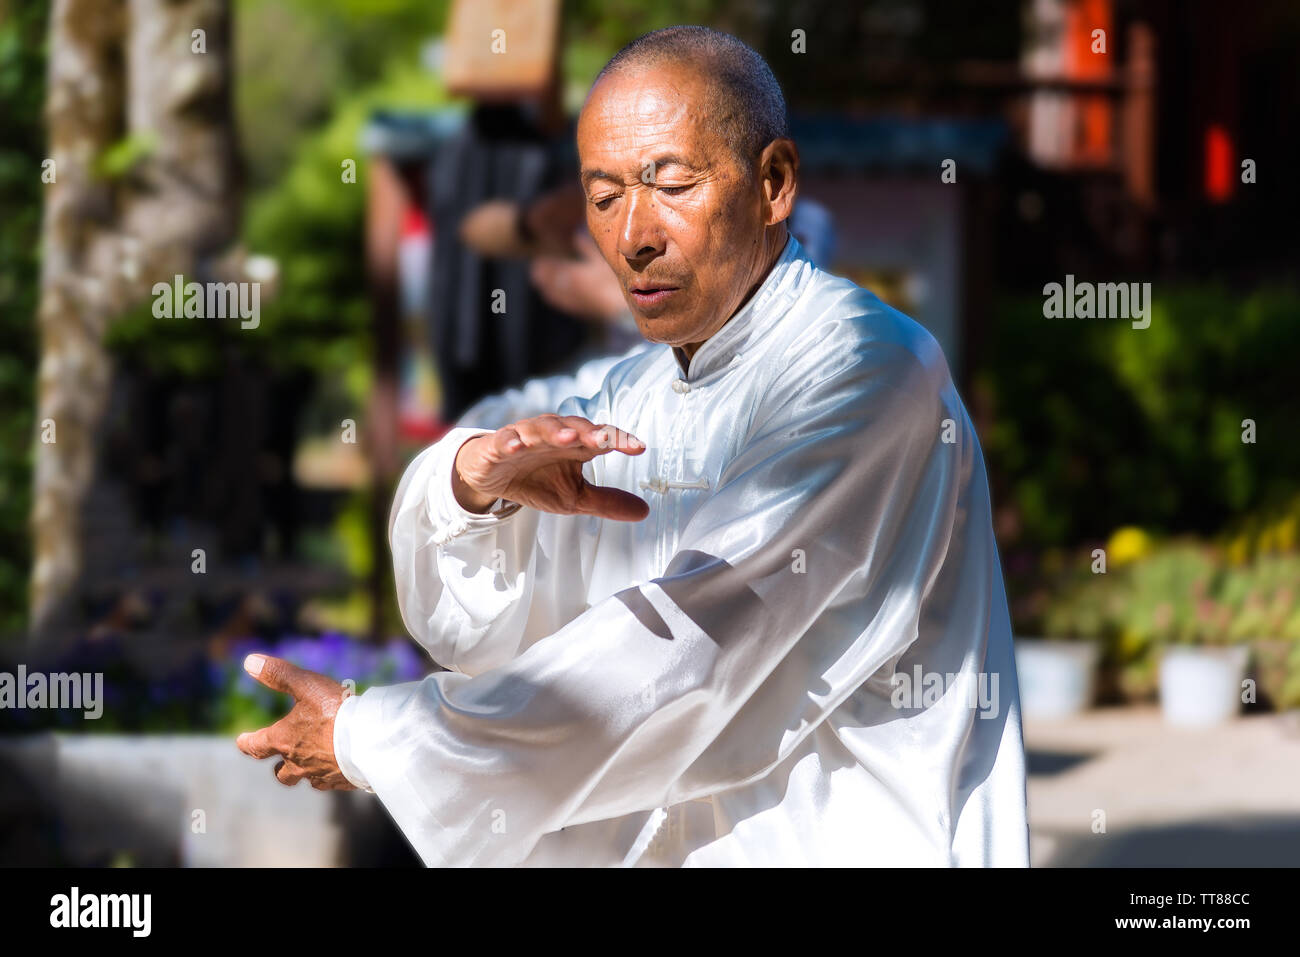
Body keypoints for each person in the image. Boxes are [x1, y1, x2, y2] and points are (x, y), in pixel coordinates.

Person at [236, 25, 1030, 867]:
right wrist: (473, 487)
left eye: (671, 184)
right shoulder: (636, 395)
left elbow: (685, 652)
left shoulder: (867, 369)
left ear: (774, 182)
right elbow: (483, 633)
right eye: (604, 195)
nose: (632, 235)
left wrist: (373, 737)